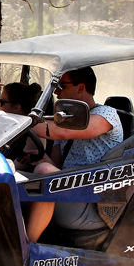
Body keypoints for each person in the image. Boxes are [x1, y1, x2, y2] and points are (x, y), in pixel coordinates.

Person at [25, 67, 123, 243]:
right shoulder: (66, 122)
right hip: (67, 193)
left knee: (45, 173)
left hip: (91, 202)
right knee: (12, 171)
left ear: (80, 88)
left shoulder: (106, 114)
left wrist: (20, 123)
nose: (56, 92)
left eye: (61, 86)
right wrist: (36, 158)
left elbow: (62, 133)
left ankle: (25, 248)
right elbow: (57, 165)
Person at [0, 82, 42, 167]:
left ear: (16, 108)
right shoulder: (7, 127)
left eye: (2, 102)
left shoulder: (33, 134)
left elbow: (18, 166)